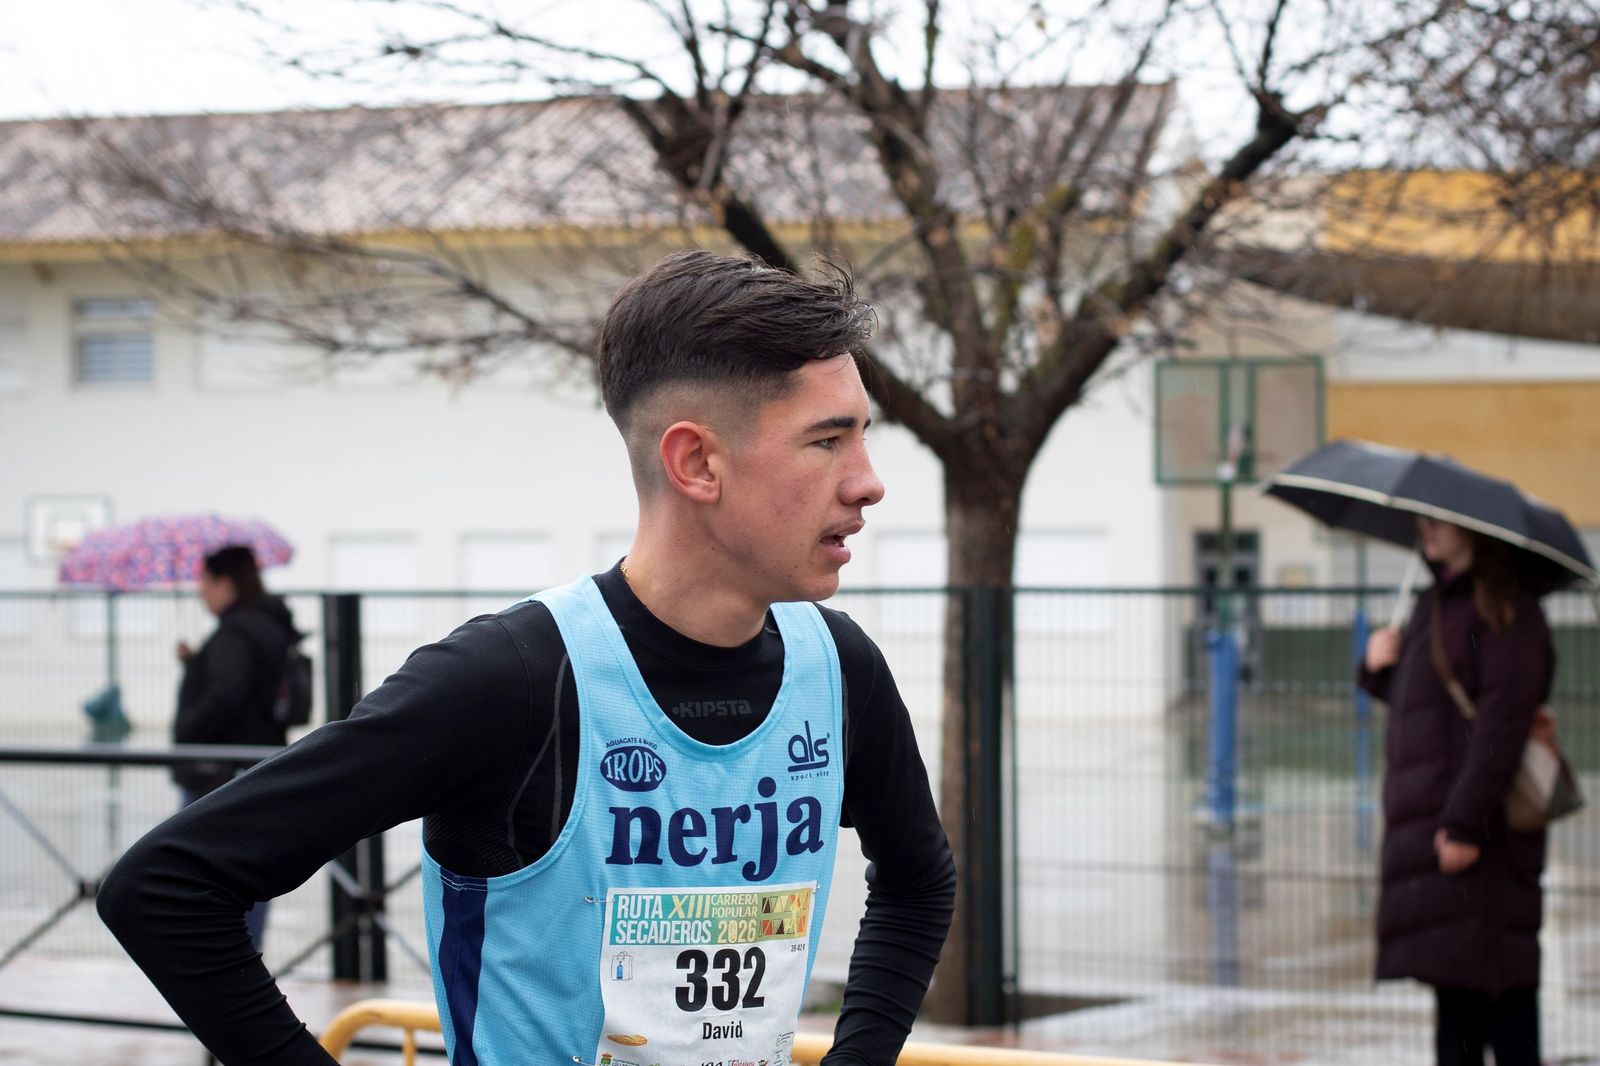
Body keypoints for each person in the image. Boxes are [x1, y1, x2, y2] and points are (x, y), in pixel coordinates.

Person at [99, 250, 956, 1066]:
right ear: (697, 462)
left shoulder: (837, 667)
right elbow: (167, 890)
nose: (869, 481)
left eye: (864, 437)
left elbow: (920, 880)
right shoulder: (512, 678)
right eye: (827, 441)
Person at [1360, 515, 1555, 1066]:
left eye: (1439, 520)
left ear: (1476, 529)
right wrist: (1377, 670)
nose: (1426, 528)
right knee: (1457, 1000)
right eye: (1420, 518)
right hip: (1439, 827)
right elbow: (1429, 708)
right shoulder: (1434, 604)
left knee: (1504, 998)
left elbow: (1501, 727)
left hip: (1481, 835)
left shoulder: (1508, 612)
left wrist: (1465, 825)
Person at [173, 544, 301, 951]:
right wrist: (197, 663)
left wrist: (185, 731)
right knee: (250, 876)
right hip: (260, 766)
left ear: (225, 584)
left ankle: (216, 966)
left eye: (204, 583)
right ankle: (244, 963)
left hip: (218, 772)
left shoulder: (235, 630)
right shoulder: (271, 625)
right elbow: (254, 691)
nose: (200, 592)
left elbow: (227, 694)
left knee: (195, 875)